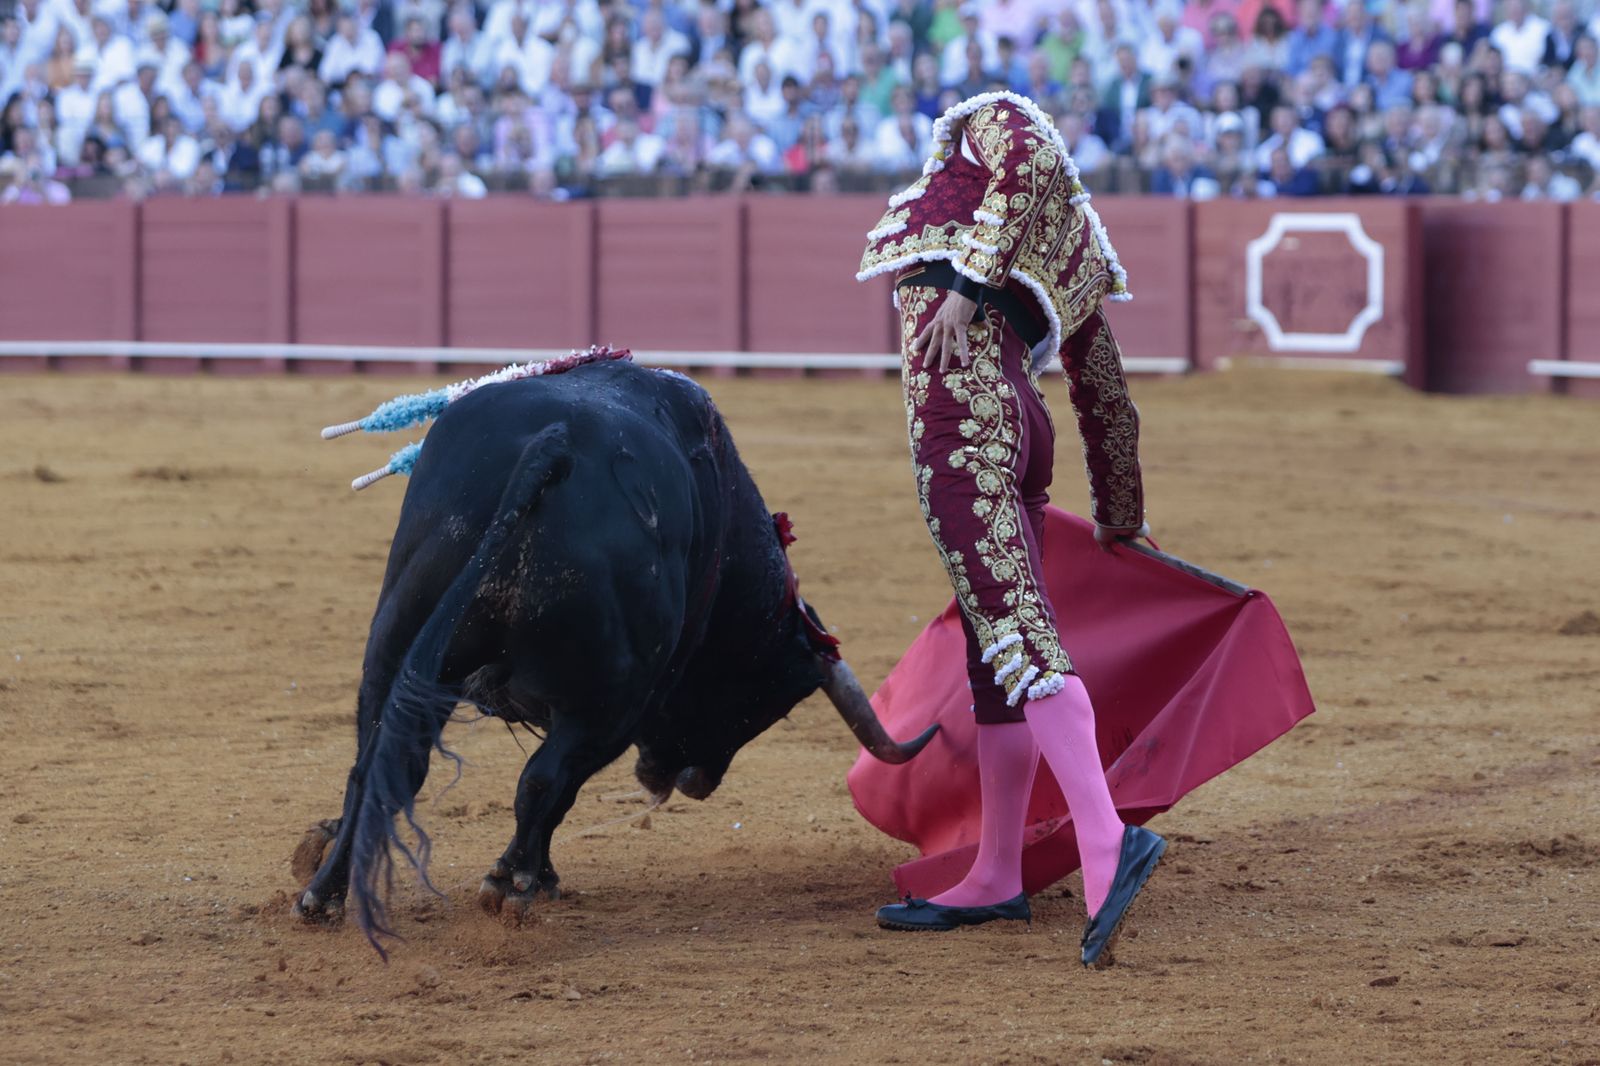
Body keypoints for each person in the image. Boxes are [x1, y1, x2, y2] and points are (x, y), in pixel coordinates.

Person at [855, 91, 1165, 966]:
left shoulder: (991, 119)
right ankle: (997, 871)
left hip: (965, 412)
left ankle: (1109, 841)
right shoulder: (1078, 251)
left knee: (1017, 636)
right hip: (1023, 423)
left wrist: (966, 280)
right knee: (998, 648)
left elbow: (1025, 154)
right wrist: (1120, 515)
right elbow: (1107, 400)